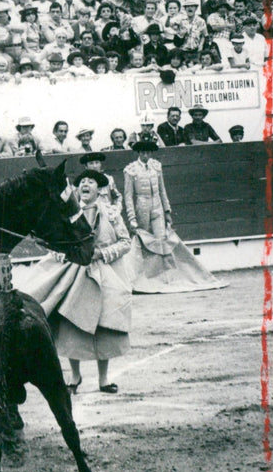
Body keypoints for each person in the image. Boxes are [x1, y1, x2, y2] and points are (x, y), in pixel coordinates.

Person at [15, 169, 132, 395]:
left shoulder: (110, 213)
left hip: (102, 272)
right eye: (82, 182)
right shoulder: (67, 213)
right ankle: (75, 376)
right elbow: (52, 243)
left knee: (104, 324)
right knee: (69, 324)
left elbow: (126, 242)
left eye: (91, 182)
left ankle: (103, 379)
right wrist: (64, 254)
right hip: (73, 272)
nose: (85, 184)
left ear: (100, 189)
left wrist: (101, 254)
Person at [123, 141, 225, 293]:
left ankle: (164, 277)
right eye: (142, 152)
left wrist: (167, 211)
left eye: (148, 152)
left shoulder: (156, 166)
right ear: (138, 153)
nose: (145, 155)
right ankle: (142, 279)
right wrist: (132, 217)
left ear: (152, 153)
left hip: (157, 206)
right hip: (141, 208)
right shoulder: (130, 170)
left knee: (161, 240)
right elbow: (128, 196)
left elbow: (162, 190)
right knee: (144, 244)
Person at [80, 152, 122, 218]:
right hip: (89, 216)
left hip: (107, 215)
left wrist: (116, 209)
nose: (95, 166)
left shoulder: (108, 179)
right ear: (86, 166)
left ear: (100, 164)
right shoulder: (82, 182)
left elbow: (117, 197)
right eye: (91, 163)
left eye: (97, 162)